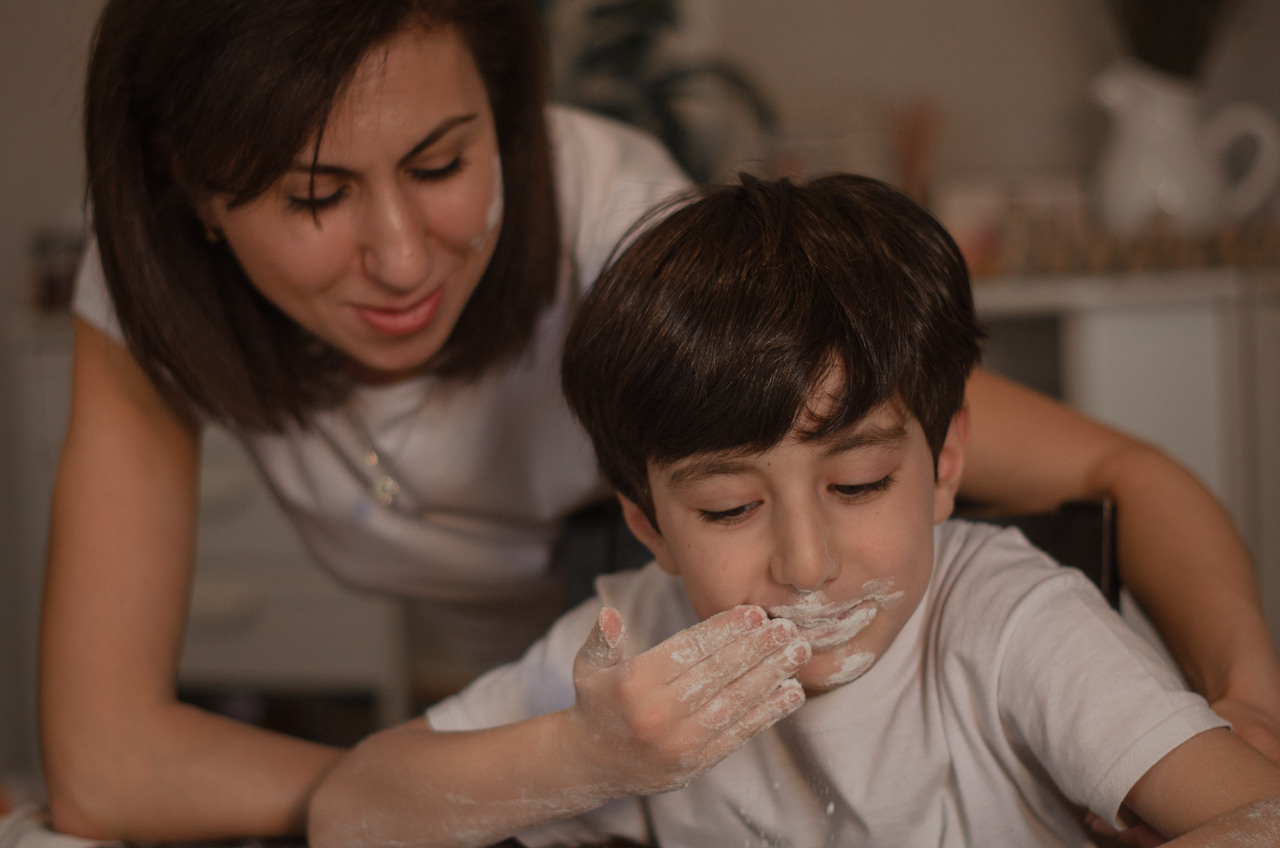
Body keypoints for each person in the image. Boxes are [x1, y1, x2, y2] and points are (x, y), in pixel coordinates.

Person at [41, 0, 1280, 842]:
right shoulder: (624, 636)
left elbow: (1116, 472)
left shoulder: (1003, 623)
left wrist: (1238, 689)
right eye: (316, 195)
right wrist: (559, 768)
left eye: (437, 165)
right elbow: (128, 765)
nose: (402, 251)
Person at [308, 174, 1280, 848]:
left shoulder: (1012, 625)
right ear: (649, 525)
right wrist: (585, 753)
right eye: (730, 506)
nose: (806, 561)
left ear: (943, 464)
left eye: (855, 485)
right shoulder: (637, 646)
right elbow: (350, 810)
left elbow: (1258, 812)